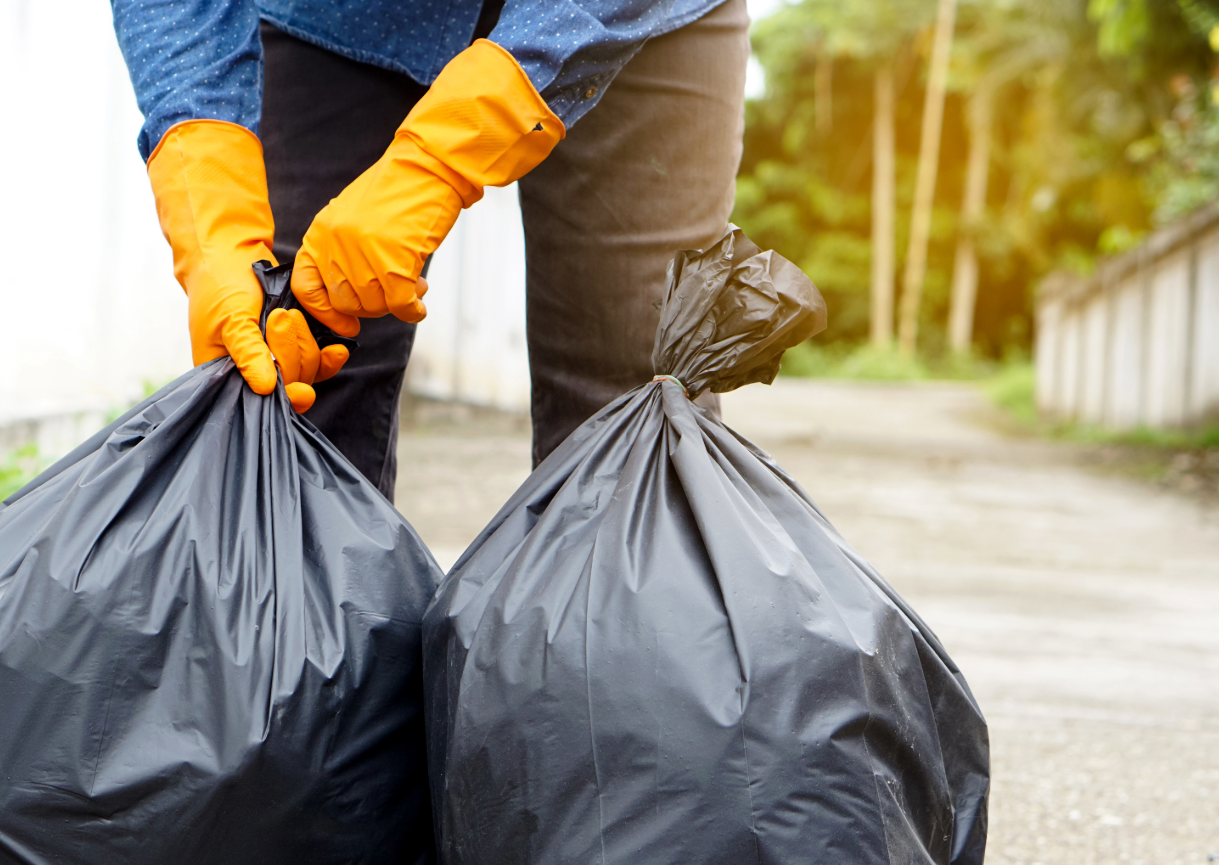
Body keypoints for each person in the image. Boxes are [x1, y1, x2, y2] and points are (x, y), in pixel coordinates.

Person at [113, 0, 747, 499]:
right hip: (340, 20)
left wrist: (437, 161)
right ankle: (302, 658)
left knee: (636, 391)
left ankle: (625, 656)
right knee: (290, 360)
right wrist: (210, 211)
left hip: (635, 19)